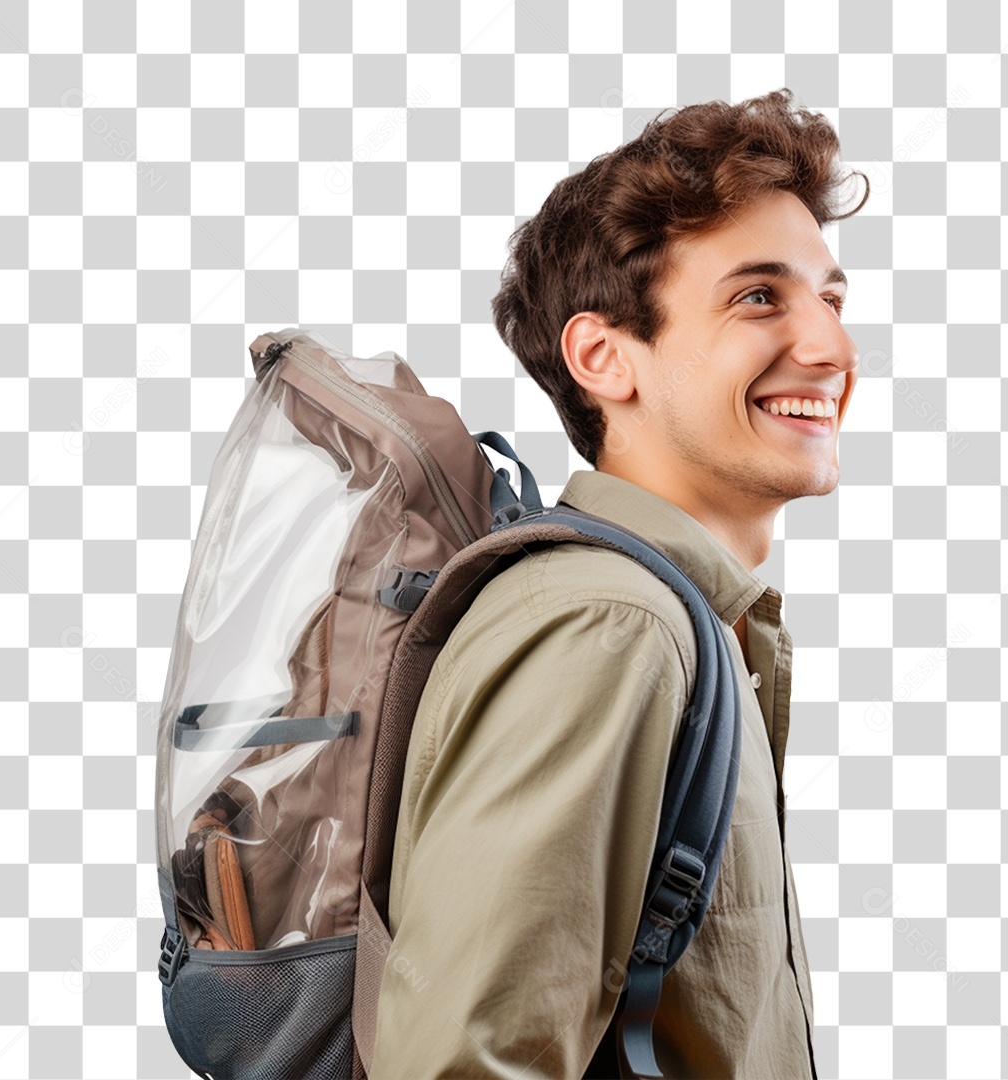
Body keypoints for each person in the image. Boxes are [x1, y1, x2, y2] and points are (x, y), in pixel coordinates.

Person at [370, 88, 867, 1078]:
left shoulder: (683, 621)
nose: (831, 348)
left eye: (832, 298)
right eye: (760, 296)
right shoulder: (609, 624)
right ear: (603, 357)